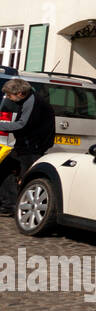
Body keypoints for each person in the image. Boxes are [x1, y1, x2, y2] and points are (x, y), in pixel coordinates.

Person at [0, 79, 55, 217]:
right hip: (24, 146)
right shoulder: (28, 99)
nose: (8, 98)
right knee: (4, 170)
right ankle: (10, 204)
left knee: (27, 179)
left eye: (9, 95)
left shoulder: (33, 102)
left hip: (32, 148)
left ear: (20, 93)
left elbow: (21, 125)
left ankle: (22, 209)